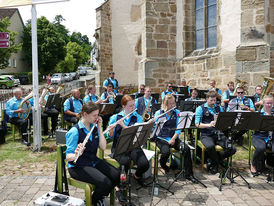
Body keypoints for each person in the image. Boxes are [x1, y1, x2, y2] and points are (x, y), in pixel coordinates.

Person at [66, 102, 122, 206]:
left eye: (98, 115)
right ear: (85, 114)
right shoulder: (74, 131)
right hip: (78, 166)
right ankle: (92, 202)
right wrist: (76, 154)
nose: (97, 117)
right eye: (94, 115)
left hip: (92, 161)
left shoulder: (94, 128)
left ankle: (99, 196)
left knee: (116, 175)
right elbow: (68, 157)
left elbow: (103, 147)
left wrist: (100, 128)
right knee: (105, 183)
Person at [107, 95, 149, 187]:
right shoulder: (115, 117)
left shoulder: (137, 117)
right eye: (130, 106)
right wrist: (111, 129)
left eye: (133, 105)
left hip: (133, 146)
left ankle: (137, 176)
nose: (133, 108)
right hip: (119, 147)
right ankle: (120, 185)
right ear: (123, 106)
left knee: (144, 164)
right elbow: (110, 136)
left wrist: (123, 126)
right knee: (125, 162)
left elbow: (136, 134)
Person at [153, 94, 197, 182]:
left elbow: (179, 127)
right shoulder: (159, 113)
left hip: (173, 137)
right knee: (165, 152)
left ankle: (189, 174)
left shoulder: (177, 112)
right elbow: (155, 129)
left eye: (173, 103)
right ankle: (163, 165)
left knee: (186, 149)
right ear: (165, 104)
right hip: (161, 138)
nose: (172, 106)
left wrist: (173, 138)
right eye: (169, 104)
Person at [195, 91, 236, 174]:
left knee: (232, 148)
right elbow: (197, 124)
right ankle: (216, 164)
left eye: (214, 100)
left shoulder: (218, 108)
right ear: (207, 99)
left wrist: (221, 121)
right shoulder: (200, 108)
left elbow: (223, 121)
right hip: (206, 134)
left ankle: (214, 161)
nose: (213, 102)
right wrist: (209, 125)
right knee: (210, 146)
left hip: (218, 134)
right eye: (211, 100)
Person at [250, 95, 273, 176]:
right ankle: (253, 164)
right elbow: (252, 126)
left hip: (271, 138)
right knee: (261, 148)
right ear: (263, 103)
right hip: (258, 137)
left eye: (271, 103)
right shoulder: (258, 114)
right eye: (267, 103)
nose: (269, 105)